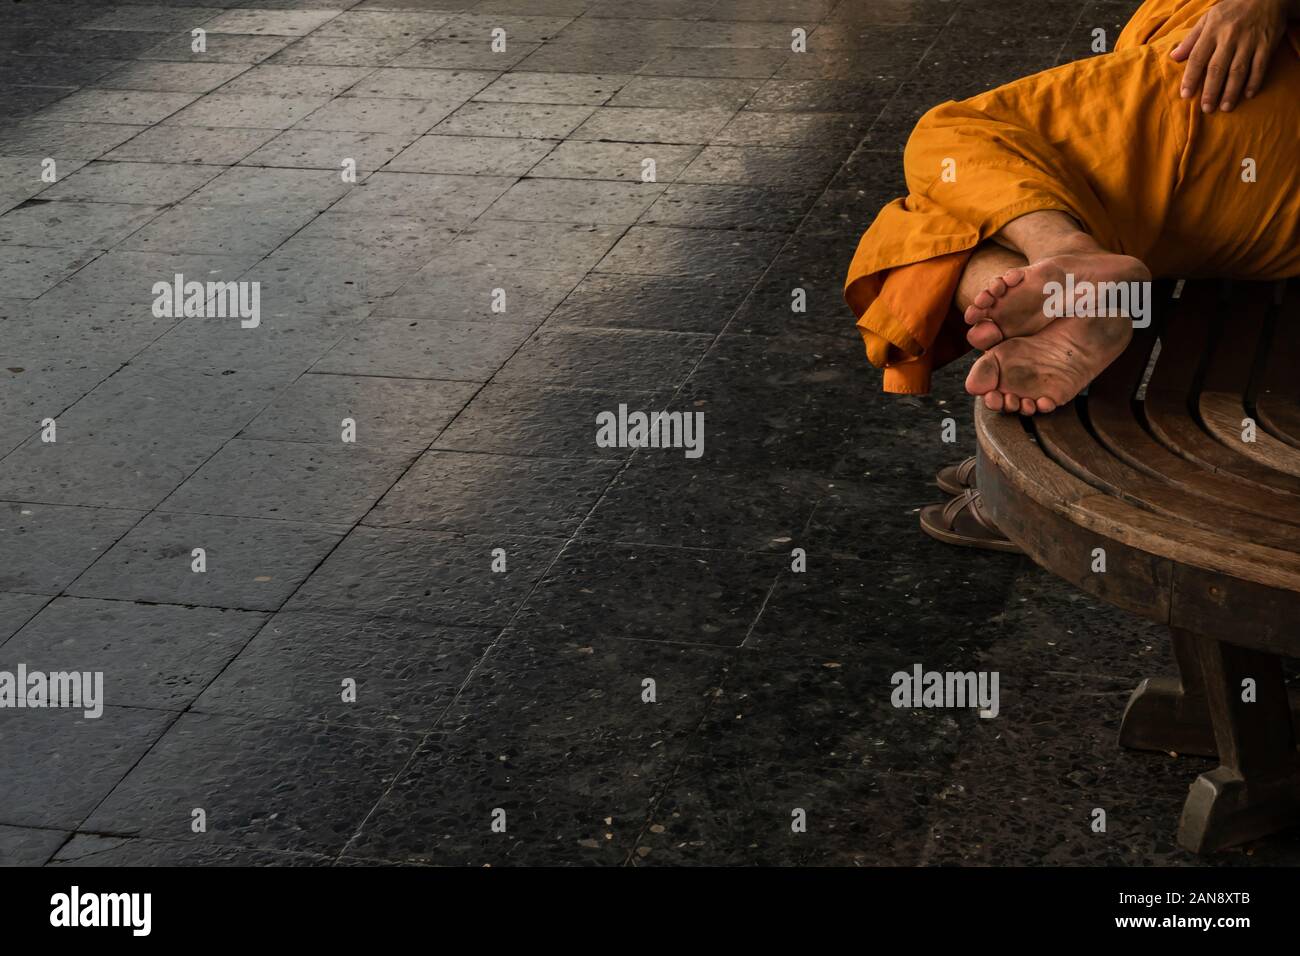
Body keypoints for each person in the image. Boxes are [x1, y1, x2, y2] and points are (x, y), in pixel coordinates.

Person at [843, 0, 1300, 418]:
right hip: (1258, 215)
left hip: (1240, 96)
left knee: (951, 139)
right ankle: (1081, 306)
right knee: (954, 212)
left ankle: (1067, 255)